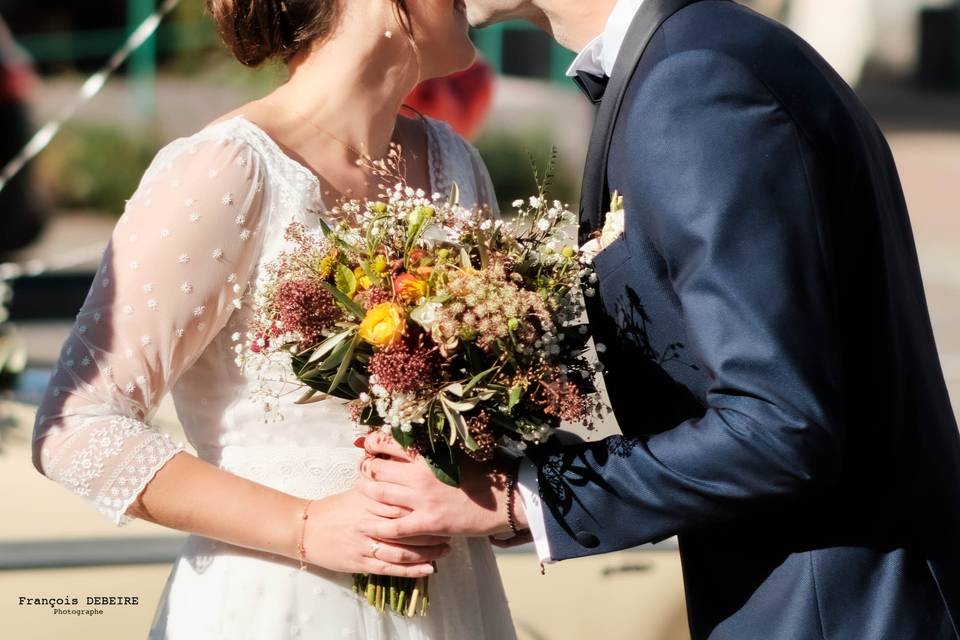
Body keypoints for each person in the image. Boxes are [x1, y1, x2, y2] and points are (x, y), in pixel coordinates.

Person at [358, 0, 960, 638]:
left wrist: (526, 495)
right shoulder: (696, 55)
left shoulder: (695, 81)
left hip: (837, 610)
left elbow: (779, 422)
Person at [30, 0, 515, 637]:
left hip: (453, 597)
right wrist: (307, 528)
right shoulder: (226, 168)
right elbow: (76, 427)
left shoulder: (456, 165)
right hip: (280, 598)